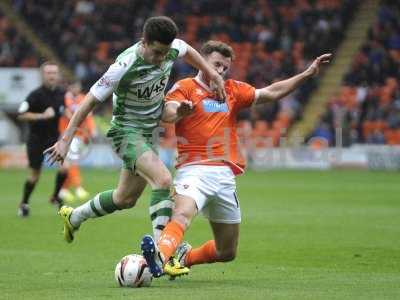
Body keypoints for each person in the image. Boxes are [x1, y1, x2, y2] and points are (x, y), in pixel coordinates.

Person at [44, 16, 225, 277]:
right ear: (144, 42)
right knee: (163, 180)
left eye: (165, 53)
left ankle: (74, 217)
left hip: (148, 131)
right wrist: (66, 139)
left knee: (124, 198)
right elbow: (88, 103)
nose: (161, 58)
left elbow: (189, 51)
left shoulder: (173, 48)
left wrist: (211, 75)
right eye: (156, 52)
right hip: (125, 132)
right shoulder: (124, 65)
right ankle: (167, 255)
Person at [140, 40, 331, 277]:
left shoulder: (232, 90)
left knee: (227, 251)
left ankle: (184, 256)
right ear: (202, 61)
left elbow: (270, 92)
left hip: (225, 176)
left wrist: (307, 74)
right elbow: (168, 111)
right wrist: (179, 111)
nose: (219, 71)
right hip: (194, 170)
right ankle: (160, 255)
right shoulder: (186, 87)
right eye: (216, 65)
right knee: (182, 213)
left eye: (224, 68)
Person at [17, 61, 68, 217]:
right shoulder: (35, 95)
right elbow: (21, 114)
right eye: (48, 73)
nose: (52, 75)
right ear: (42, 75)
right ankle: (24, 203)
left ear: (58, 75)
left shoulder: (61, 93)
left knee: (65, 169)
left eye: (54, 72)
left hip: (54, 140)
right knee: (34, 175)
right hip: (36, 140)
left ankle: (54, 196)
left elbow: (62, 110)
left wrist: (71, 116)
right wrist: (41, 116)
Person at [58, 80, 95, 203]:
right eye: (74, 86)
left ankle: (63, 190)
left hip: (79, 135)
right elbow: (67, 113)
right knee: (71, 161)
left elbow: (89, 116)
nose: (76, 88)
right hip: (67, 134)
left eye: (77, 86)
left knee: (70, 162)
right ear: (70, 87)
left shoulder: (84, 98)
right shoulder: (63, 99)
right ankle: (78, 188)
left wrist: (90, 131)